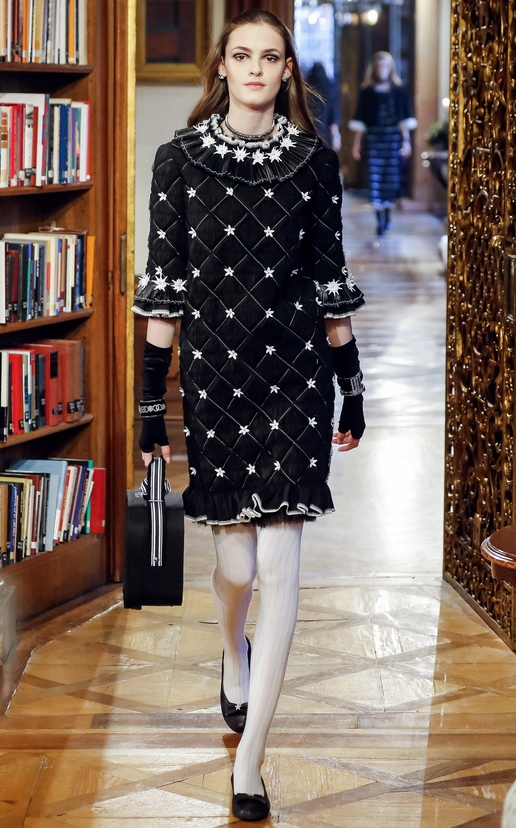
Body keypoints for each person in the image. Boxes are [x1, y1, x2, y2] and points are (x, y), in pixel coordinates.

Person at [132, 9, 365, 821]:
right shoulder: (178, 161)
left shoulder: (313, 164)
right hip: (219, 381)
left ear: (287, 70)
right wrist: (149, 407)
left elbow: (330, 281)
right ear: (222, 67)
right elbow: (165, 290)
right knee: (236, 568)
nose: (257, 68)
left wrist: (353, 386)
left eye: (271, 56)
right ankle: (232, 649)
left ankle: (250, 762)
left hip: (297, 377)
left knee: (281, 567)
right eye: (243, 55)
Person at [348, 51, 417, 236]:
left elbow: (404, 119)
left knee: (390, 179)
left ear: (390, 68)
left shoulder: (399, 90)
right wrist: (357, 143)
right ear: (374, 69)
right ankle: (379, 219)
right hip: (374, 140)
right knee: (375, 179)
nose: (382, 69)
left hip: (392, 140)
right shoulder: (367, 91)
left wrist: (406, 141)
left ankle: (387, 215)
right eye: (379, 66)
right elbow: (360, 120)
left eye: (385, 66)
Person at [305, 61, 342, 151]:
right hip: (325, 135)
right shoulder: (330, 91)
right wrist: (336, 137)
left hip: (308, 134)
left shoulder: (305, 92)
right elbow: (334, 116)